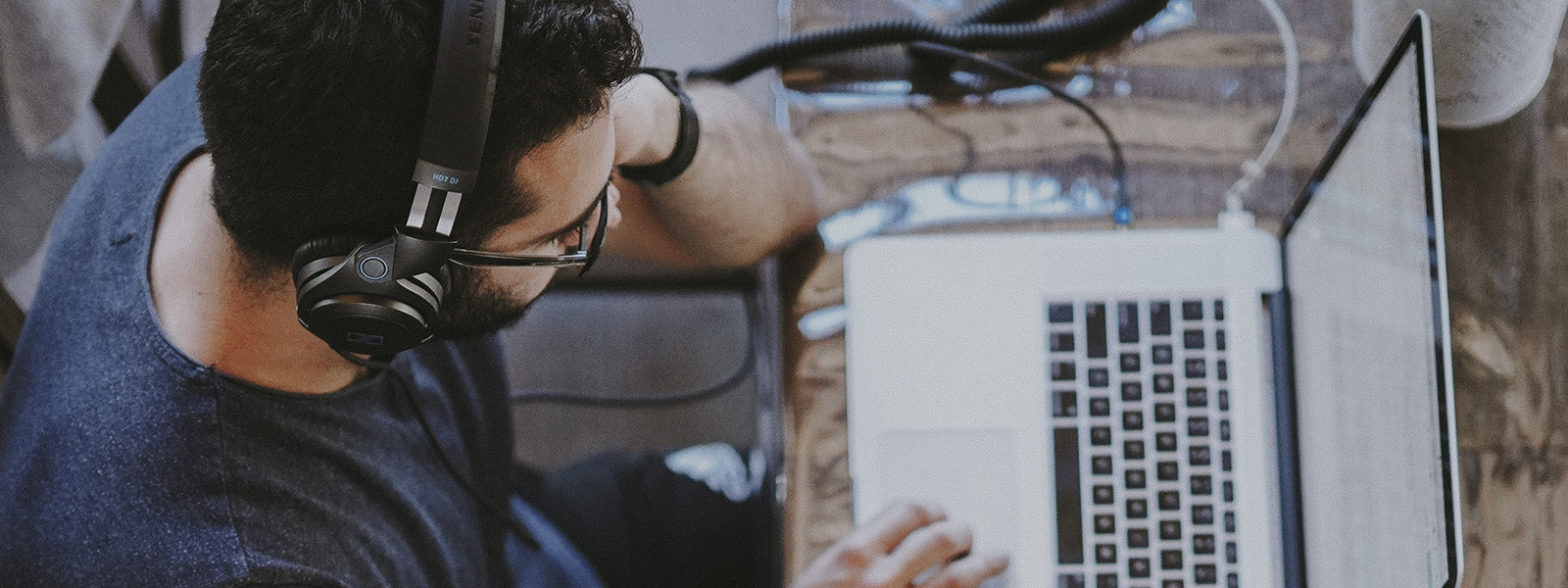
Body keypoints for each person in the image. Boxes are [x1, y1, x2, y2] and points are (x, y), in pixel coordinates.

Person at [0, 0, 1009, 586]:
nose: (609, 222)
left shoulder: (299, 98)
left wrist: (639, 119)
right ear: (385, 282)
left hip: (511, 540)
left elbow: (782, 205)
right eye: (567, 233)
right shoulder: (231, 558)